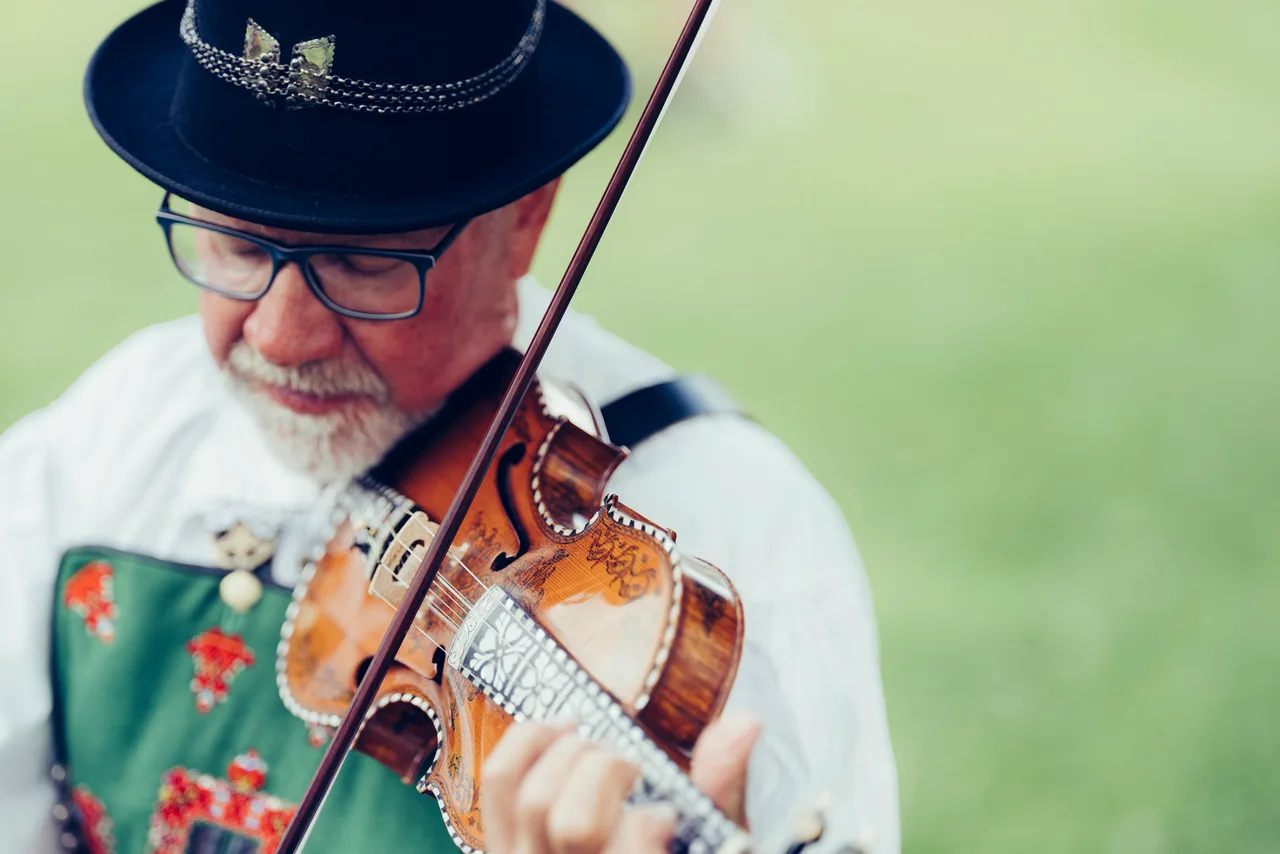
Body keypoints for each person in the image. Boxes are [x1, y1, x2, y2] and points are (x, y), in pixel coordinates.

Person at [0, 0, 899, 851]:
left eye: (359, 263)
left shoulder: (736, 531)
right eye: (237, 245)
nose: (280, 336)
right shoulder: (105, 443)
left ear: (524, 221)